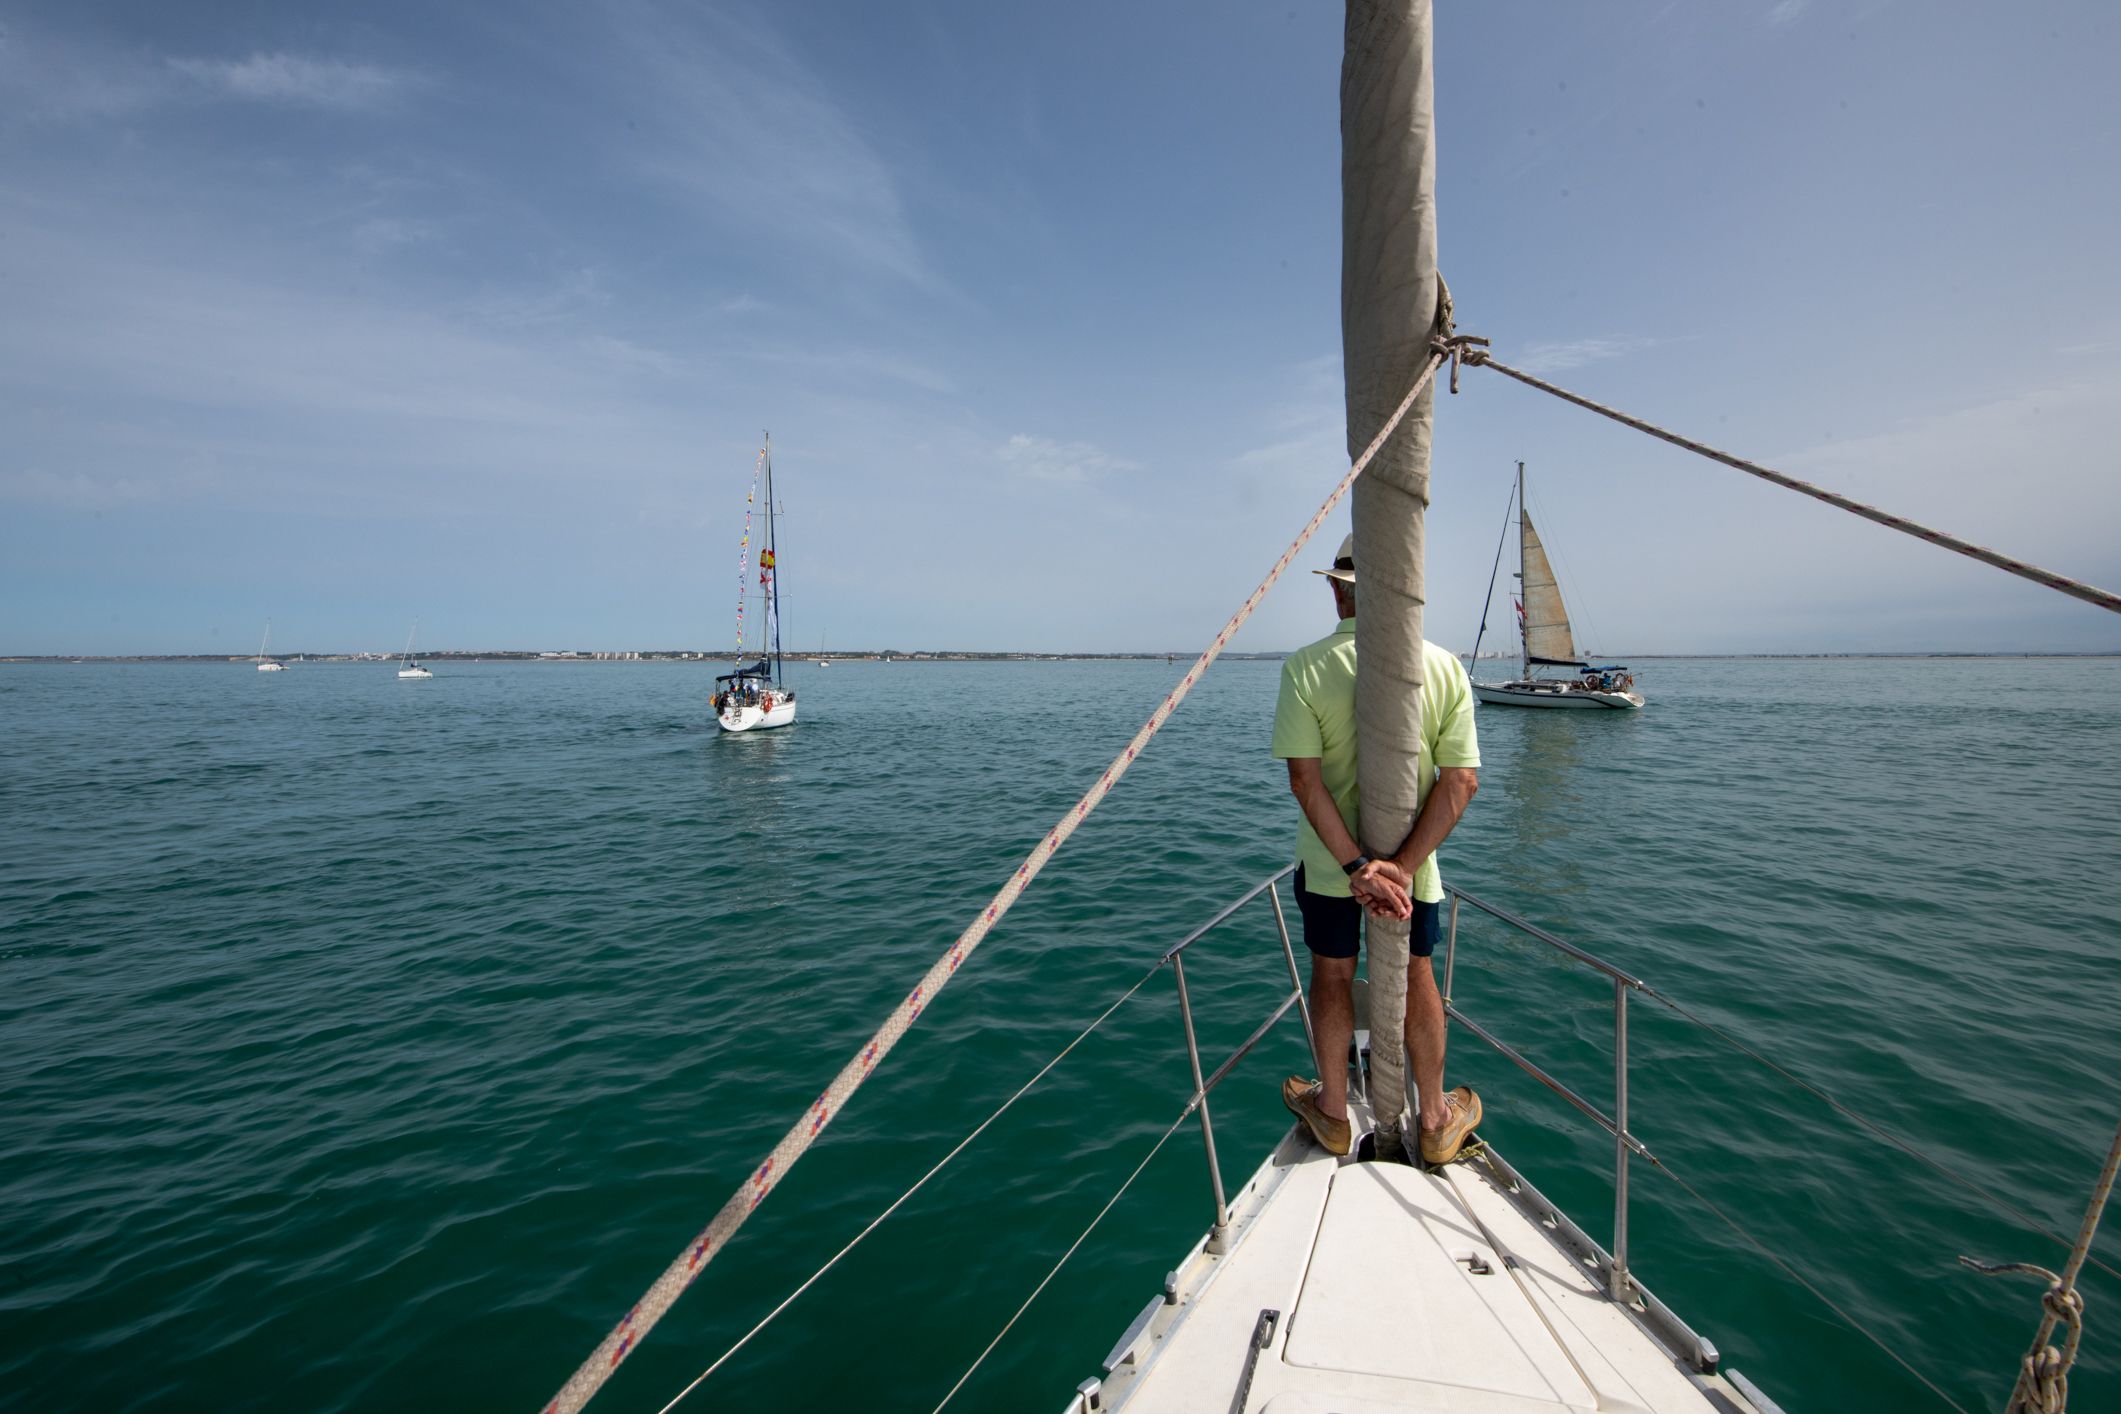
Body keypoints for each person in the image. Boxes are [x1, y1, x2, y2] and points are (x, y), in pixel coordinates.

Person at [1271, 532, 1484, 1164]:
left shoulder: (1305, 667)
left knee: (1332, 975)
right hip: (1413, 878)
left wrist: (1359, 868)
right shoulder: (1444, 668)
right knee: (1419, 976)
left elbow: (1305, 780)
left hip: (1331, 869)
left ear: (1339, 590)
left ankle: (1333, 1112)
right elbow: (1461, 782)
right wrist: (1400, 870)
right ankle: (1438, 1116)